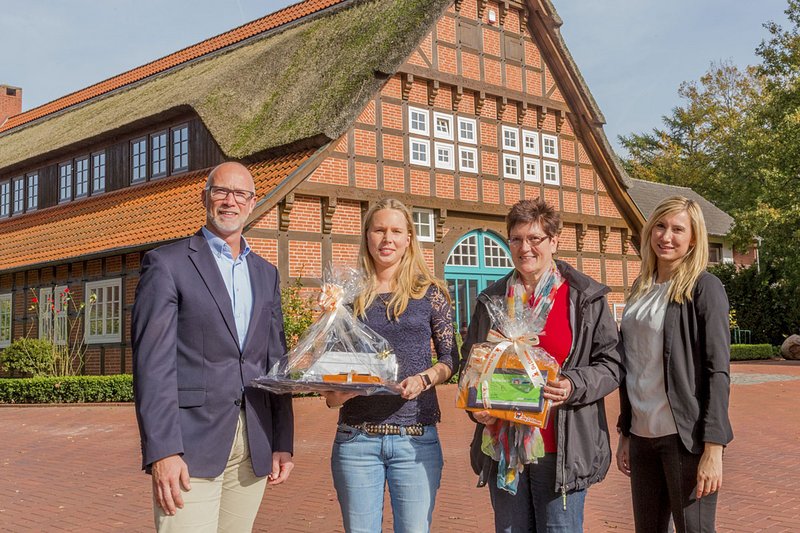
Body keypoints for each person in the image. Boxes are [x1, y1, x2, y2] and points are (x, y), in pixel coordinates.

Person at [132, 161, 294, 532]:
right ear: (205, 197)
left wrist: (282, 440)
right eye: (221, 191)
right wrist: (163, 451)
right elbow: (151, 367)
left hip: (253, 444)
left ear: (252, 203)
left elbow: (275, 363)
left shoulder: (265, 273)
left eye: (240, 194)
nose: (229, 201)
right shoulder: (167, 264)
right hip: (190, 446)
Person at [461, 198, 624, 533]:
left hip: (561, 450)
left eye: (535, 238)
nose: (525, 248)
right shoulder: (492, 300)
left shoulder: (584, 297)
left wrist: (573, 384)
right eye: (517, 239)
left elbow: (612, 364)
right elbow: (470, 366)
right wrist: (477, 408)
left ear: (554, 241)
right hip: (503, 447)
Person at [322, 198, 455, 533]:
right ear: (367, 236)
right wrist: (341, 390)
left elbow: (450, 360)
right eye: (379, 230)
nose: (387, 239)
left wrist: (425, 378)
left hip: (416, 439)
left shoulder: (431, 293)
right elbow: (332, 383)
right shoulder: (347, 298)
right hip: (356, 440)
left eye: (396, 231)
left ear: (409, 238)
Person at [615, 196, 733, 533]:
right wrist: (626, 431)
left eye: (678, 229)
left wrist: (714, 448)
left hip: (685, 438)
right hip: (642, 436)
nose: (666, 236)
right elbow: (633, 364)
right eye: (660, 226)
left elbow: (718, 371)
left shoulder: (703, 287)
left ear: (693, 238)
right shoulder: (641, 288)